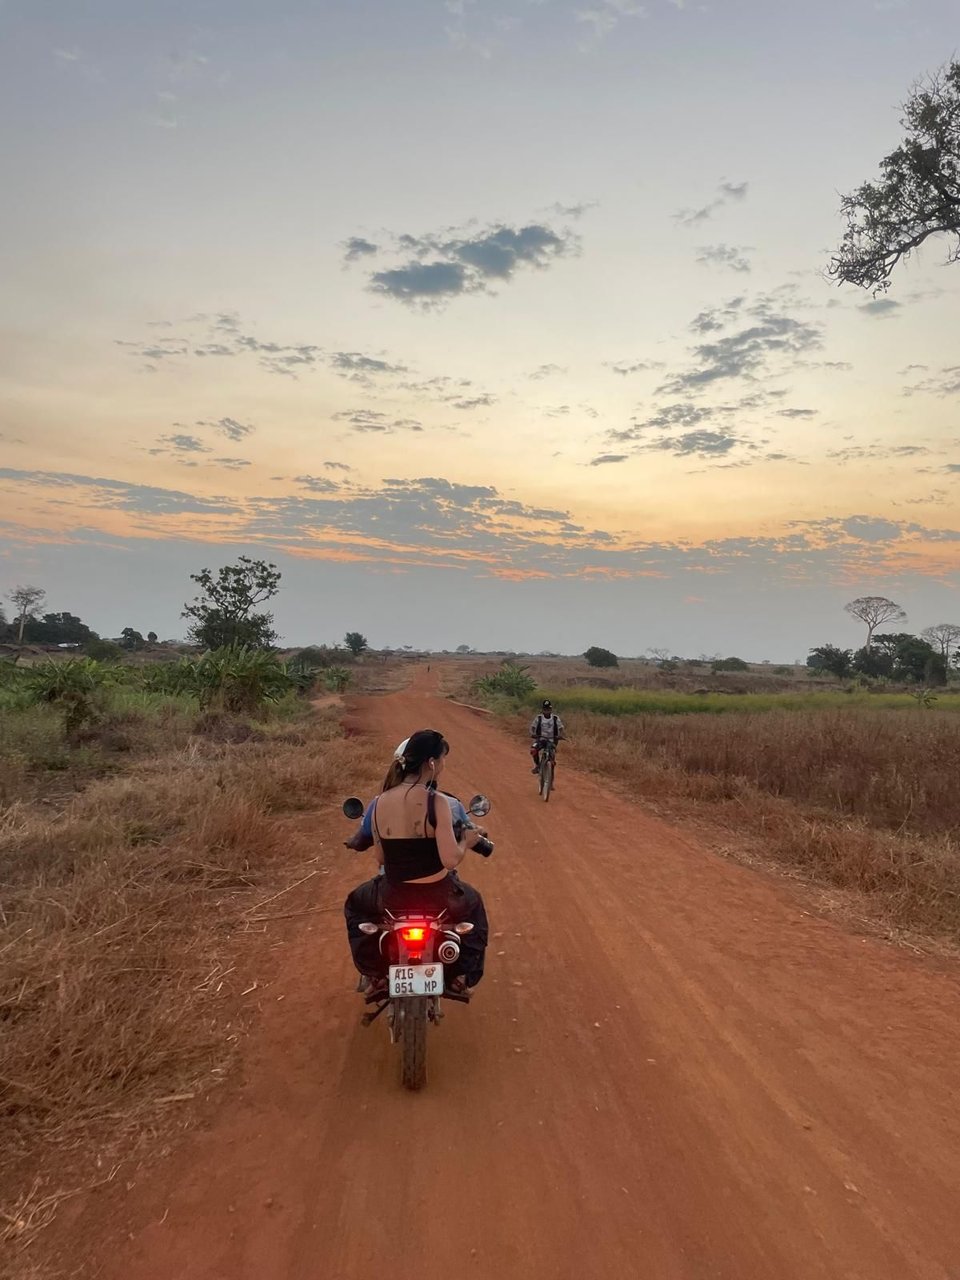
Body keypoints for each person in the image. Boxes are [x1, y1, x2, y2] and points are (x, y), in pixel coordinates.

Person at [343, 729, 489, 995]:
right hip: (438, 898)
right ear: (431, 763)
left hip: (391, 897)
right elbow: (449, 860)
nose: (443, 766)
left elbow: (380, 857)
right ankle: (460, 976)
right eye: (442, 760)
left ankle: (373, 972)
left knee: (355, 904)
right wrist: (465, 843)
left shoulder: (380, 802)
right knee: (475, 905)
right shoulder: (437, 802)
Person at [529, 699, 564, 773]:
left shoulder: (555, 718)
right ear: (542, 710)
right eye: (545, 709)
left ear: (551, 709)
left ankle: (551, 766)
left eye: (548, 709)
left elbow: (561, 728)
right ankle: (537, 766)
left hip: (551, 740)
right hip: (540, 739)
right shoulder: (539, 718)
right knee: (533, 750)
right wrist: (532, 733)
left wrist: (560, 735)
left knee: (551, 750)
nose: (547, 711)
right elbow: (532, 727)